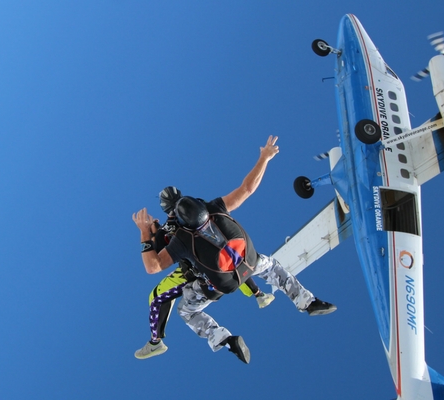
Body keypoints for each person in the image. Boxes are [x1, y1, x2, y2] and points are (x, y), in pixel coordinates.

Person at [132, 136, 336, 363]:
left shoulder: (179, 238)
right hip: (250, 262)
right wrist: (265, 158)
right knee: (272, 267)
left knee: (184, 310)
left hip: (217, 282)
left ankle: (222, 339)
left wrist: (145, 233)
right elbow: (247, 188)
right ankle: (306, 301)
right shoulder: (214, 207)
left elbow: (154, 266)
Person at [134, 186, 275, 360]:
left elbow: (156, 257)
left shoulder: (168, 228)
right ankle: (258, 293)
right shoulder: (199, 207)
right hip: (216, 262)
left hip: (192, 271)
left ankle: (155, 342)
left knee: (156, 297)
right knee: (233, 262)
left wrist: (148, 233)